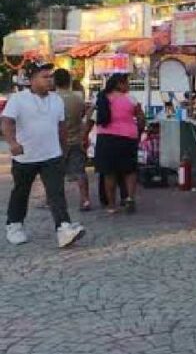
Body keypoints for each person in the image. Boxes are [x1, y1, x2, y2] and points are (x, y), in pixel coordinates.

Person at [2, 61, 86, 248]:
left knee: (56, 193)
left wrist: (63, 150)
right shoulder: (18, 99)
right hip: (25, 157)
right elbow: (6, 122)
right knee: (21, 192)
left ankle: (63, 228)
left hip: (52, 155)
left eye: (51, 76)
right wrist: (13, 143)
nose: (50, 80)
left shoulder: (56, 99)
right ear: (32, 80)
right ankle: (14, 225)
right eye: (45, 77)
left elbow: (61, 127)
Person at [94, 74, 145, 214]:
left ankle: (111, 205)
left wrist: (85, 135)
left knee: (109, 173)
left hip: (106, 139)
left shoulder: (102, 98)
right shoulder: (131, 99)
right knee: (130, 171)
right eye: (126, 83)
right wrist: (139, 132)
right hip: (127, 138)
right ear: (119, 84)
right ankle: (129, 198)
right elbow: (141, 119)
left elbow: (91, 117)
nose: (128, 86)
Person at [54, 69, 91, 211]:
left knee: (55, 173)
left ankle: (53, 199)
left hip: (57, 141)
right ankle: (85, 199)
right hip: (76, 139)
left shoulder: (52, 99)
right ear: (69, 80)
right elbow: (84, 114)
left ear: (55, 81)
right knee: (80, 171)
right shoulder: (78, 98)